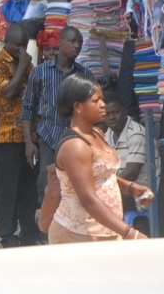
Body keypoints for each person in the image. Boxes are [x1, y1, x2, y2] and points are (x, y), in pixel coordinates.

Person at [43, 75, 153, 243]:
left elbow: (101, 177)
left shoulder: (96, 134)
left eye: (102, 98)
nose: (103, 104)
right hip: (78, 234)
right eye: (96, 100)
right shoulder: (75, 146)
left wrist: (130, 187)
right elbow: (88, 200)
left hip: (104, 230)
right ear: (78, 107)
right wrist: (130, 233)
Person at [0, 23, 41, 246]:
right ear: (6, 42)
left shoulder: (26, 65)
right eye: (17, 45)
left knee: (28, 188)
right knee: (8, 187)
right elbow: (7, 92)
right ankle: (6, 234)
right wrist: (23, 66)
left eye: (24, 45)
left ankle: (28, 230)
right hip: (8, 135)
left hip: (29, 135)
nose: (21, 49)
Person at [22, 25, 91, 203]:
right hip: (48, 138)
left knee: (75, 187)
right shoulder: (40, 73)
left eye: (80, 42)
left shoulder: (84, 75)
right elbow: (28, 108)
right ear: (60, 43)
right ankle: (49, 230)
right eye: (72, 41)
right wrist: (29, 142)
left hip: (76, 140)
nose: (77, 46)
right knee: (49, 188)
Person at [103, 89, 148, 197]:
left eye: (116, 112)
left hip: (139, 193)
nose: (112, 117)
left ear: (125, 111)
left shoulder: (136, 133)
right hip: (117, 189)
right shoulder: (105, 137)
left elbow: (131, 173)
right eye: (107, 114)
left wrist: (103, 188)